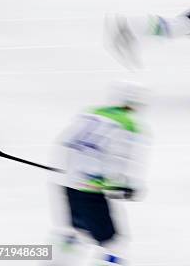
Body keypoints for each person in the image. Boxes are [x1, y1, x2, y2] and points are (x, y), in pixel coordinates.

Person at [45, 81, 149, 266]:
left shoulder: (91, 112)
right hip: (89, 189)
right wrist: (124, 184)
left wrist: (68, 172)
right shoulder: (127, 123)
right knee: (113, 245)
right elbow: (119, 158)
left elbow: (66, 141)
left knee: (76, 231)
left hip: (68, 181)